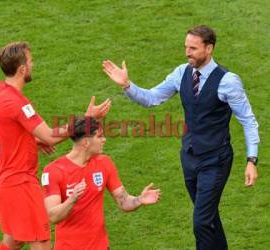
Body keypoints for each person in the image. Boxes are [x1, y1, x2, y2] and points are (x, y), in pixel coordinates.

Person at [102, 25, 260, 250]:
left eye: (193, 48)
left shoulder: (228, 81)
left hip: (216, 160)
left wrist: (251, 160)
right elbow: (152, 98)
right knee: (208, 217)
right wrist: (127, 85)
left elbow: (248, 120)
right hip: (189, 158)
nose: (187, 53)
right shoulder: (181, 73)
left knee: (201, 222)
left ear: (209, 48)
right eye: (186, 47)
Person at [0, 41, 111, 250]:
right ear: (22, 69)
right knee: (42, 242)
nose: (33, 65)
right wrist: (86, 119)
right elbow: (50, 136)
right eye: (31, 61)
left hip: (2, 177)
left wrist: (29, 140)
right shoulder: (17, 102)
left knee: (14, 240)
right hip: (21, 181)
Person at [42, 116, 161, 250]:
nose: (104, 140)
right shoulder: (53, 171)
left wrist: (140, 199)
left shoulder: (104, 163)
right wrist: (72, 200)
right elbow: (53, 216)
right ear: (86, 142)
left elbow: (124, 201)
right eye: (100, 137)